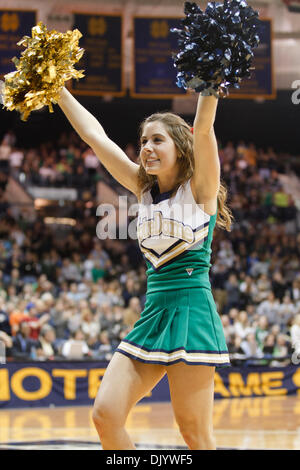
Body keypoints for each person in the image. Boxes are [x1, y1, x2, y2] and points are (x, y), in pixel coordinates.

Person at [57, 85, 233, 450]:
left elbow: (202, 127)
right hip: (153, 314)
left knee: (195, 435)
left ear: (180, 147)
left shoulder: (200, 189)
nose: (147, 148)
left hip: (191, 313)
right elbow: (95, 137)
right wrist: (57, 90)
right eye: (143, 141)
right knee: (105, 415)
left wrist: (210, 79)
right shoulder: (143, 188)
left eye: (157, 140)